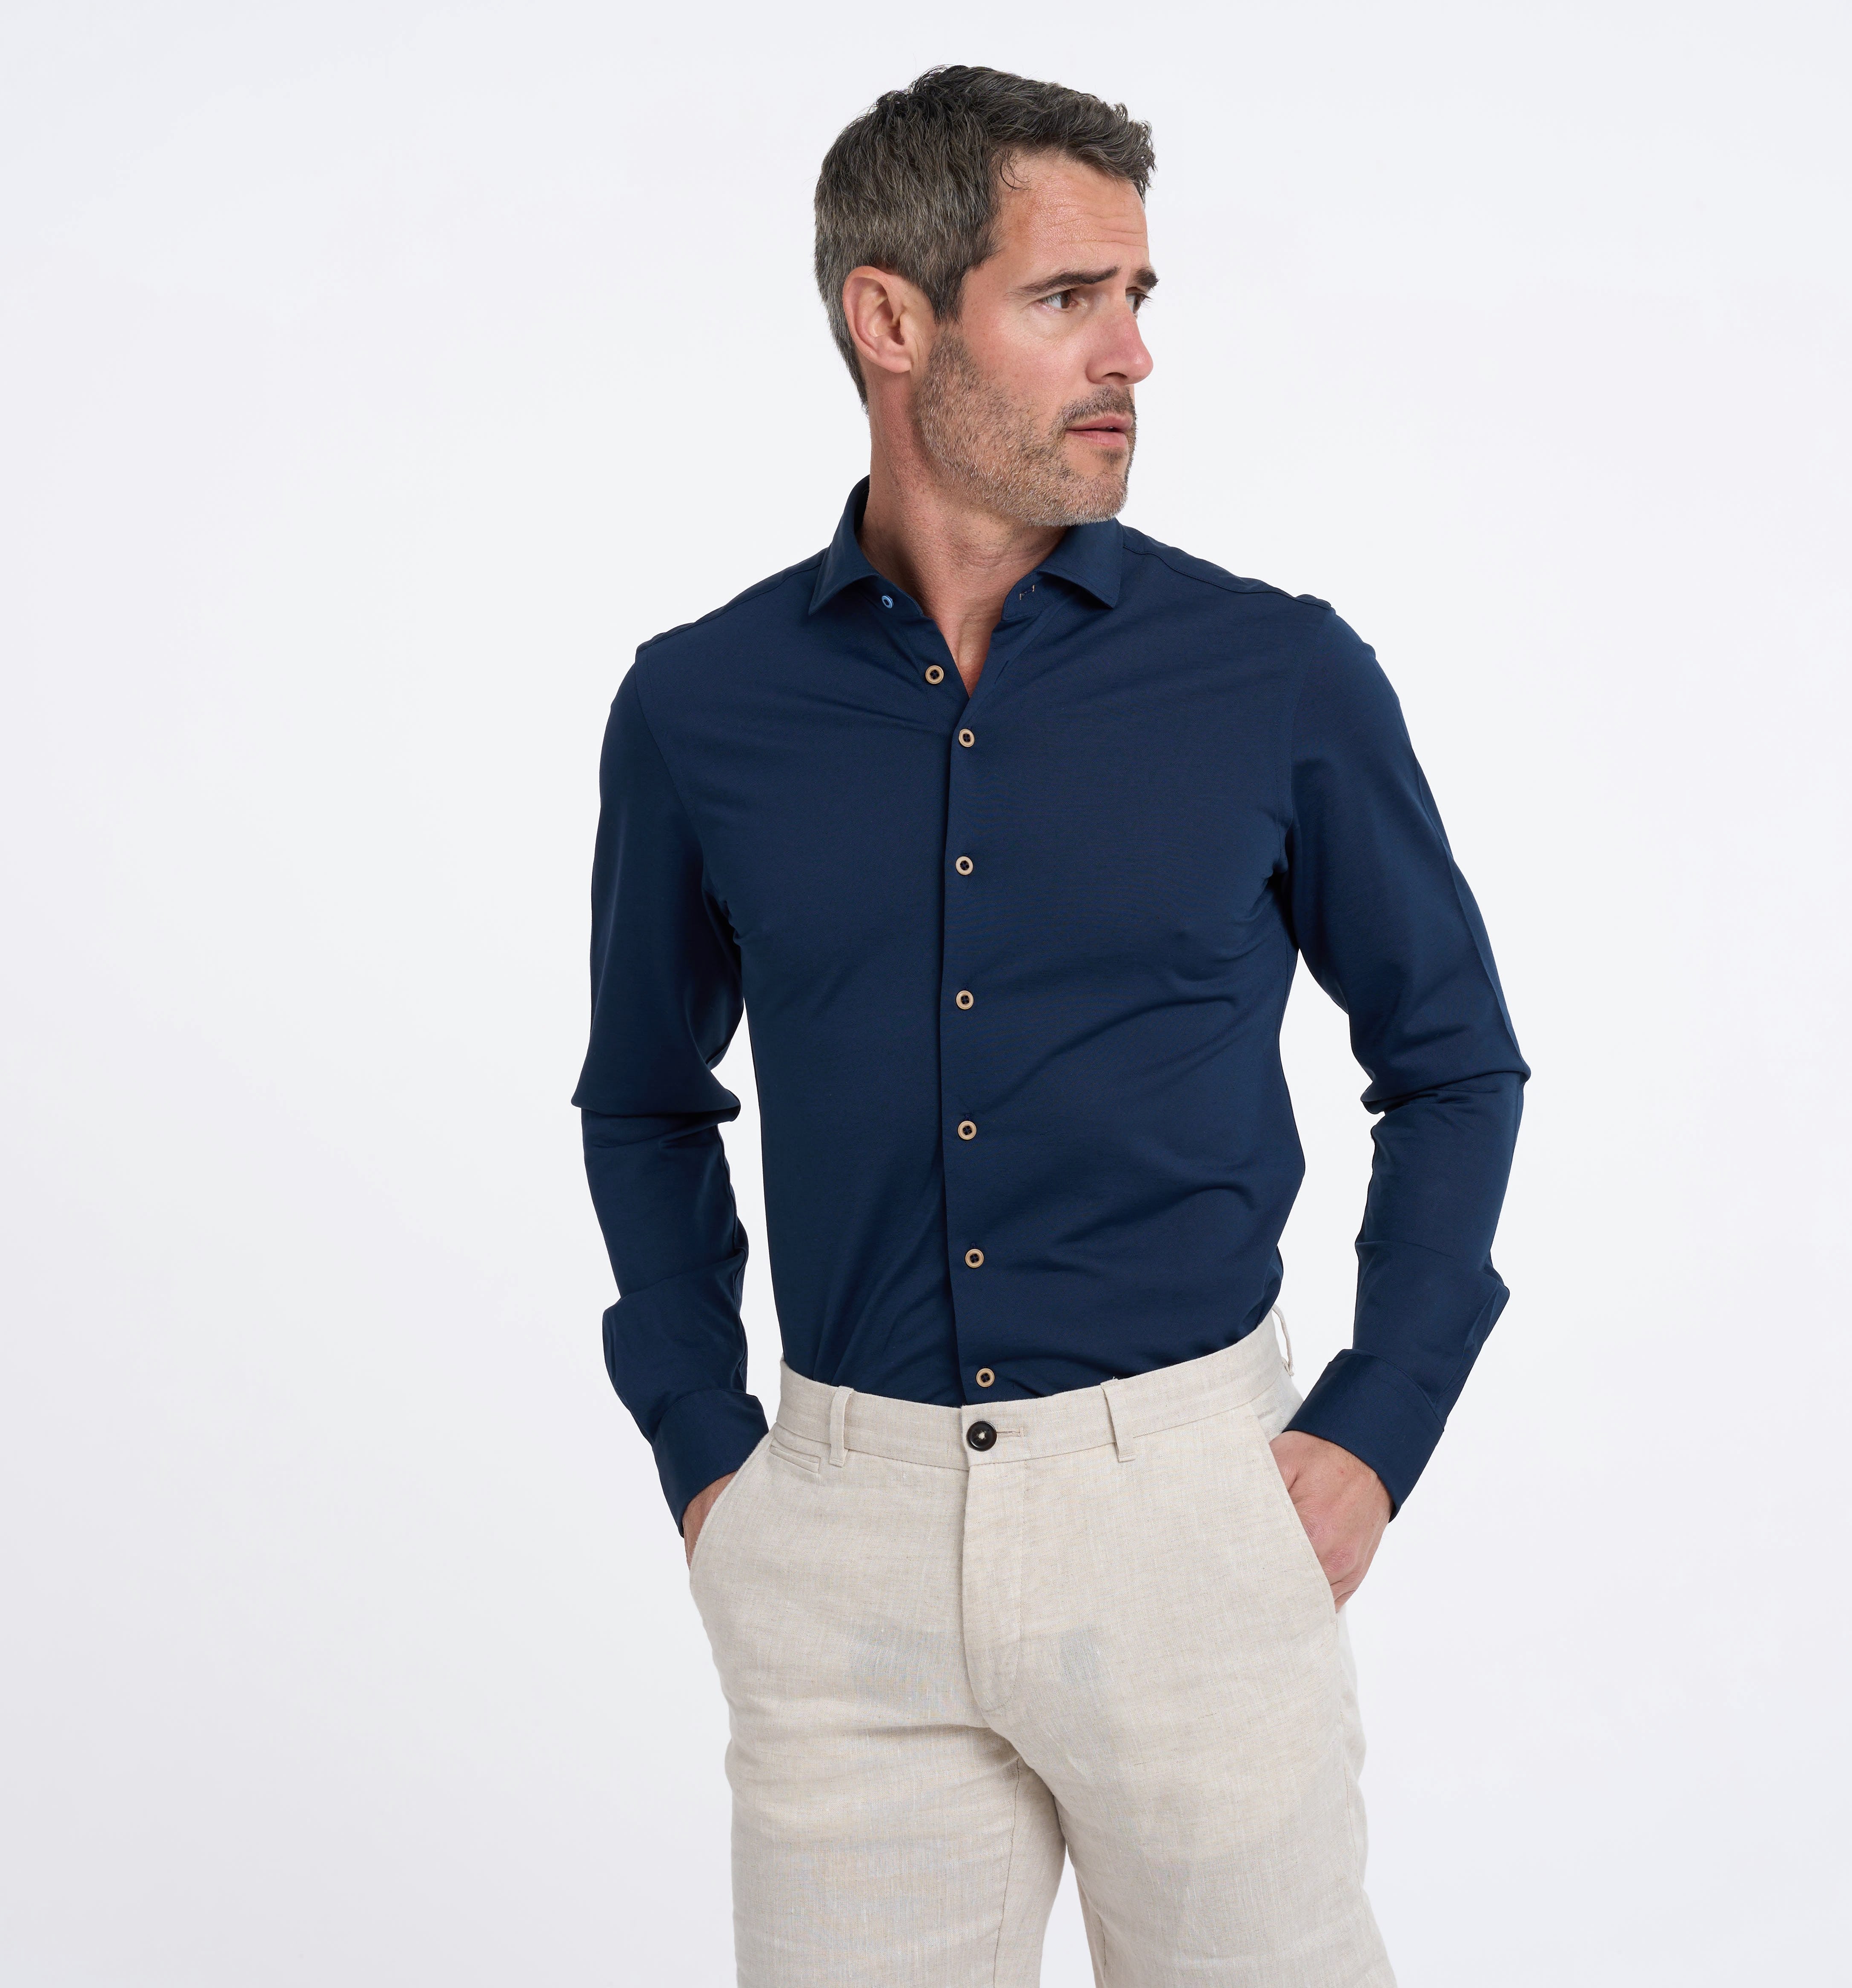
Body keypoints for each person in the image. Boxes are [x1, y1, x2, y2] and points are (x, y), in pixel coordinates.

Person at [575, 63, 1526, 1987]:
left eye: (1138, 297)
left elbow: (1449, 1059)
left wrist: (1377, 1425)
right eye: (1066, 297)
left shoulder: (1275, 672)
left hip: (1192, 1528)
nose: (1130, 356)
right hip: (839, 1551)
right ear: (891, 317)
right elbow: (646, 1100)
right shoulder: (701, 704)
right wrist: (705, 1450)